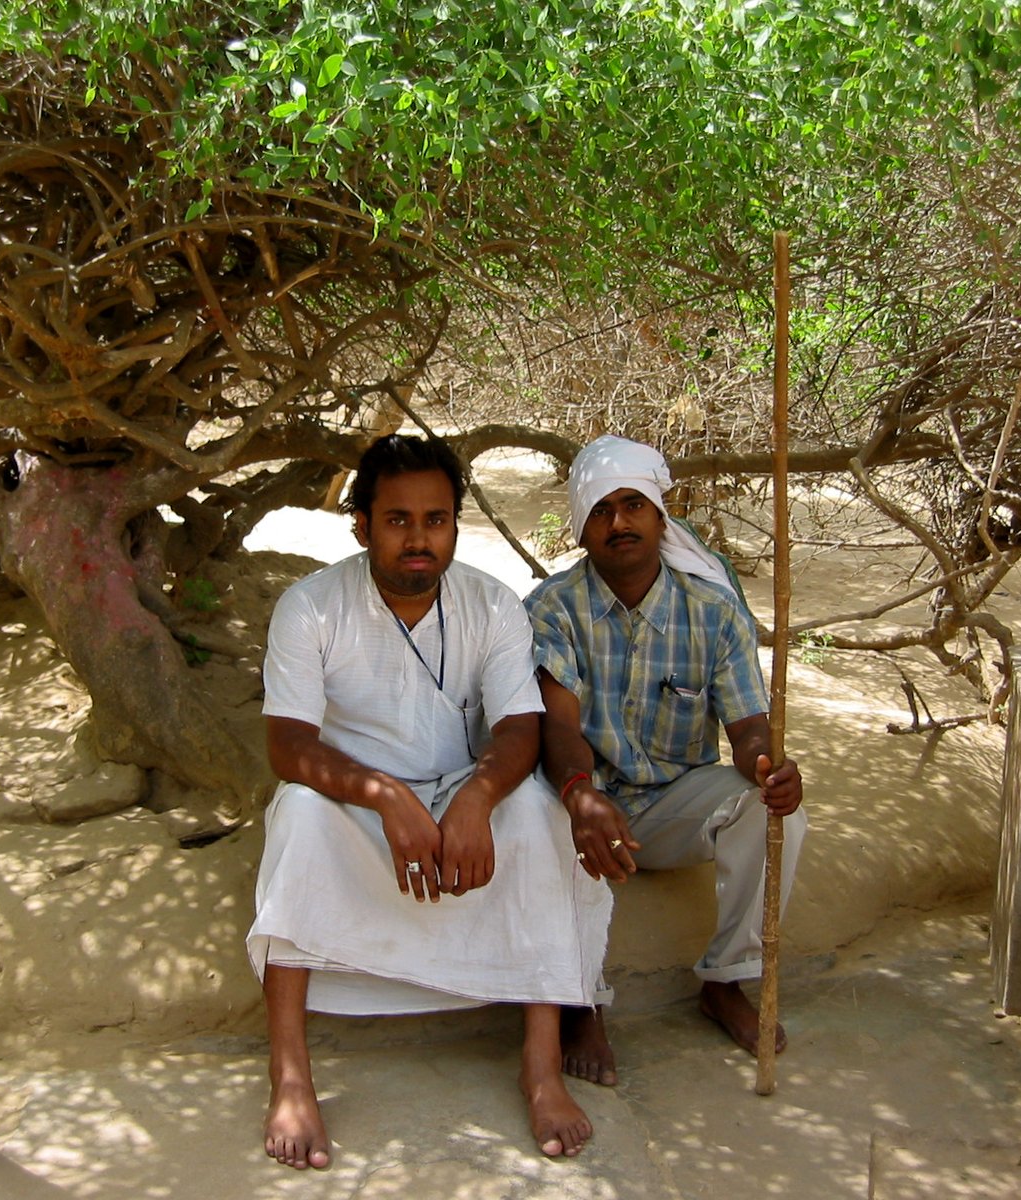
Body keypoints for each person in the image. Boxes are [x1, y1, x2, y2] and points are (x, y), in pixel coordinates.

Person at [247, 433, 612, 1169]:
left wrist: (477, 797)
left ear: (454, 524)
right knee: (297, 817)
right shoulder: (310, 607)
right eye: (398, 520)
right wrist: (382, 795)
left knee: (538, 816)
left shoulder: (492, 604)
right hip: (353, 801)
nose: (419, 540)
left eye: (436, 520)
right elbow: (289, 745)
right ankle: (290, 1077)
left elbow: (519, 727)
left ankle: (541, 1065)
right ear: (361, 526)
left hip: (456, 792)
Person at [525, 434, 808, 1087]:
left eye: (633, 506)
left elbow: (747, 727)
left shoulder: (714, 611)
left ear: (660, 516)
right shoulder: (552, 609)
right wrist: (580, 793)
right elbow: (557, 724)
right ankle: (582, 1002)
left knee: (777, 813)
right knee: (535, 813)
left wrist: (768, 766)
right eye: (601, 511)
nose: (618, 523)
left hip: (671, 804)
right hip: (586, 804)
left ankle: (726, 981)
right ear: (582, 529)